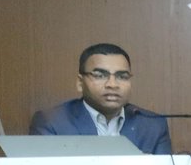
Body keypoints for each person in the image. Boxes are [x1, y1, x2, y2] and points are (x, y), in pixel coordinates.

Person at [29, 43, 171, 154]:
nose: (112, 84)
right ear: (80, 83)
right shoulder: (53, 123)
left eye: (122, 76)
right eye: (100, 75)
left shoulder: (152, 125)